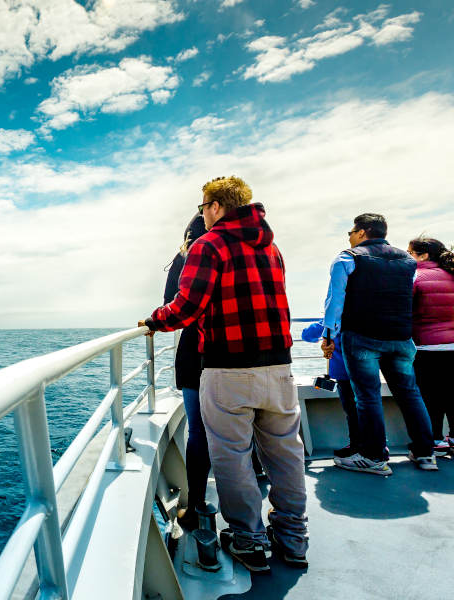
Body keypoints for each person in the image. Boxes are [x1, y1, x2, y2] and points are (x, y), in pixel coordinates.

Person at [141, 176, 308, 572]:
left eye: (203, 206)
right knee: (285, 453)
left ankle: (249, 541)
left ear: (216, 206)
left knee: (231, 456)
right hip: (280, 366)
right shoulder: (271, 246)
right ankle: (293, 538)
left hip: (229, 368)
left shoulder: (209, 244)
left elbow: (186, 308)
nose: (202, 213)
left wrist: (153, 320)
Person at [321, 214, 436, 475]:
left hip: (362, 337)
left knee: (367, 397)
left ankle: (373, 457)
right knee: (410, 393)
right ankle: (425, 452)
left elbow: (334, 301)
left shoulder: (347, 258)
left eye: (351, 231)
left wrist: (328, 336)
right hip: (401, 338)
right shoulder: (407, 261)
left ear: (362, 232)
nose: (349, 236)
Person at [408, 237, 454, 457]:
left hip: (425, 345)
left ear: (423, 255)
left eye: (410, 252)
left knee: (429, 394)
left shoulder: (414, 277)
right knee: (452, 391)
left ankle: (436, 441)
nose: (407, 256)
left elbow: (405, 309)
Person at [163, 215, 212, 531]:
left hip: (196, 350)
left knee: (199, 431)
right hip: (243, 350)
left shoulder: (186, 256)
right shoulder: (245, 249)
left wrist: (155, 321)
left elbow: (172, 305)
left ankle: (195, 505)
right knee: (241, 426)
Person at [301, 320, 359, 457]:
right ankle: (376, 444)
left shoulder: (332, 321)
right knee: (368, 409)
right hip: (367, 370)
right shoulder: (362, 316)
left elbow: (307, 335)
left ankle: (356, 446)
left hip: (344, 374)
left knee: (352, 411)